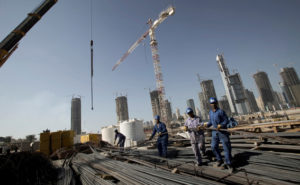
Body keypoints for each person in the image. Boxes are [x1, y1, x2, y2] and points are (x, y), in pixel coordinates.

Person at [204, 97, 233, 173]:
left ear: (216, 103)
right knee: (213, 146)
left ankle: (228, 163)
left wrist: (221, 125)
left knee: (226, 147)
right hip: (215, 132)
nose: (213, 104)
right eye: (211, 103)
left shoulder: (221, 112)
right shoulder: (210, 112)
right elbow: (210, 121)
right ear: (210, 104)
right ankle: (219, 159)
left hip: (222, 132)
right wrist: (206, 125)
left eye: (214, 103)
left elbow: (226, 120)